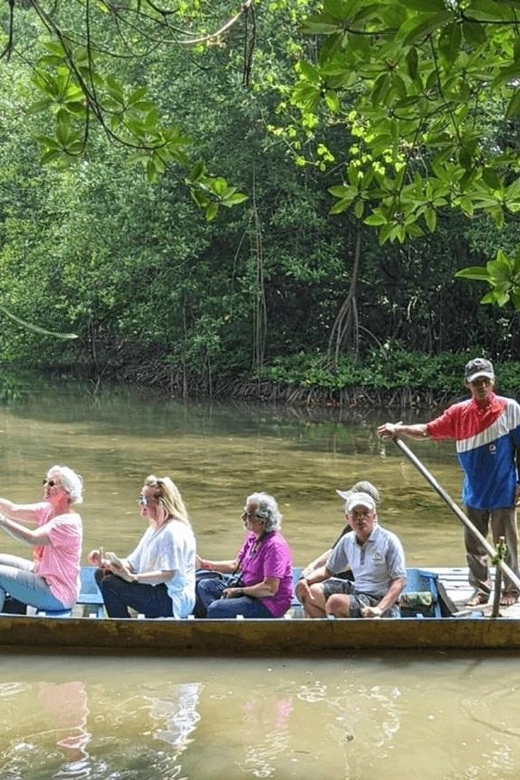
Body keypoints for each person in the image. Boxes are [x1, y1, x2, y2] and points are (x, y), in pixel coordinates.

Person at [377, 357, 520, 607]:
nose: (482, 386)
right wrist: (398, 430)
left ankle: (511, 589)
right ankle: (481, 589)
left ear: (493, 381)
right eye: (477, 383)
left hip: (504, 491)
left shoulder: (511, 409)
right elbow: (427, 431)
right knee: (474, 546)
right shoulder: (458, 413)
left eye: (486, 381)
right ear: (468, 384)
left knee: (505, 544)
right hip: (473, 493)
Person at [88, 475, 196, 618]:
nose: (141, 503)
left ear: (161, 503)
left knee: (109, 584)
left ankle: (122, 628)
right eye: (140, 498)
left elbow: (169, 574)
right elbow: (132, 563)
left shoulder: (172, 532)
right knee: (102, 574)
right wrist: (106, 563)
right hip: (156, 589)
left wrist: (133, 578)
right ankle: (124, 621)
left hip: (172, 599)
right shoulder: (154, 528)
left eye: (145, 500)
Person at [301, 491, 406, 619]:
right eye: (355, 514)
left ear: (374, 516)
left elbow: (400, 581)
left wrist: (379, 609)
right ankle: (329, 635)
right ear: (347, 518)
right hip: (358, 591)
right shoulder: (347, 540)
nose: (360, 518)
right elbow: (328, 570)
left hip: (380, 600)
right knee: (309, 592)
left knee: (335, 603)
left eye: (365, 513)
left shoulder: (389, 541)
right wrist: (306, 580)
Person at [196, 492, 293, 619]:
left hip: (267, 603)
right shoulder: (253, 537)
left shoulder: (275, 546)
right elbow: (237, 565)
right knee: (204, 585)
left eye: (248, 515)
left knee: (216, 609)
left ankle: (219, 616)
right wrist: (204, 564)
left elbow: (269, 588)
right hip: (248, 589)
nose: (242, 517)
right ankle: (222, 615)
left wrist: (238, 591)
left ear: (262, 520)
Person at [0, 465, 83, 613]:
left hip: (57, 593)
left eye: (52, 483)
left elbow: (31, 538)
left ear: (67, 492)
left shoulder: (67, 524)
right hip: (42, 574)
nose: (46, 486)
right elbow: (13, 509)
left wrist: (2, 521)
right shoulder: (47, 509)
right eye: (46, 481)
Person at [295, 480, 381, 616]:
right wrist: (311, 568)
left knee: (313, 591)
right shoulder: (350, 529)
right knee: (305, 593)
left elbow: (346, 564)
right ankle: (325, 631)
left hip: (363, 591)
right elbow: (333, 552)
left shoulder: (375, 534)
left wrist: (317, 576)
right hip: (342, 583)